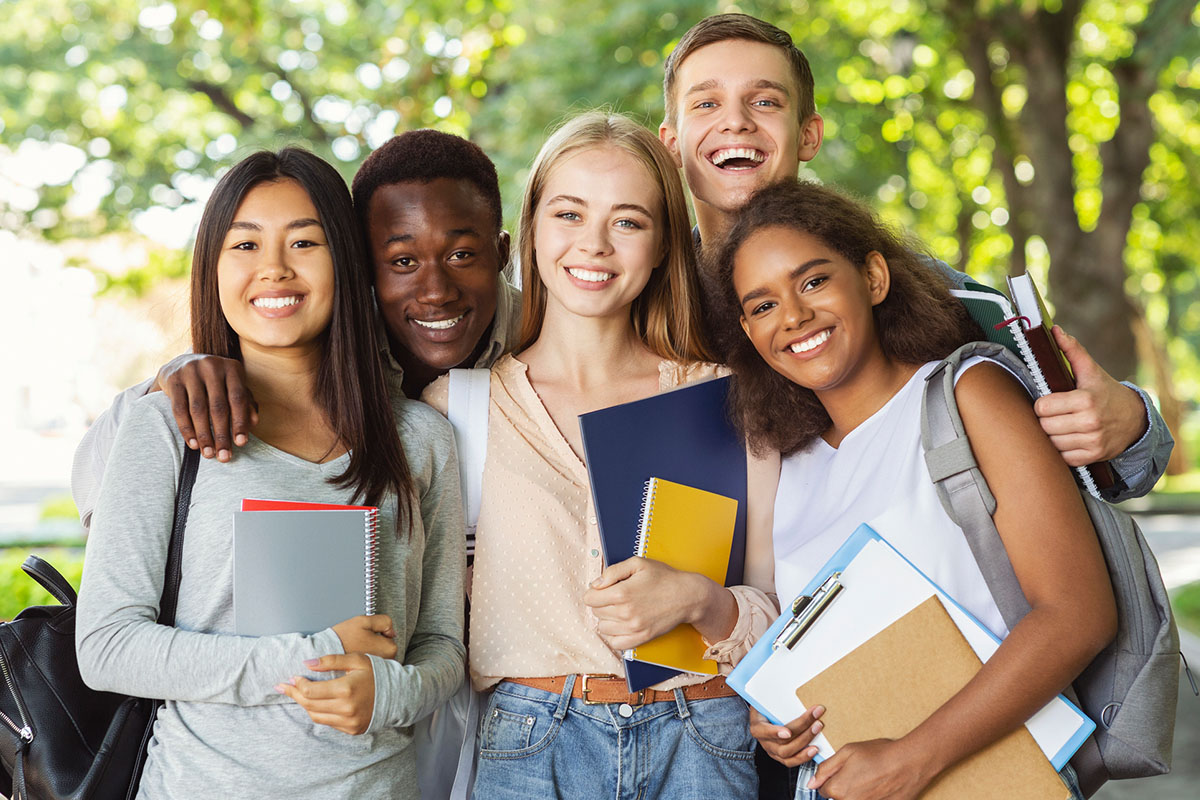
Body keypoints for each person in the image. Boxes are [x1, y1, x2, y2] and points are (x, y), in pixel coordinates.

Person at [74, 148, 466, 799]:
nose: (274, 269)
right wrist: (309, 657)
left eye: (304, 241)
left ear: (345, 259)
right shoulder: (166, 427)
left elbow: (444, 645)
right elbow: (108, 646)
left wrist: (391, 691)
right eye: (246, 244)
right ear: (214, 266)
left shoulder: (421, 440)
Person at [657, 12, 1173, 504]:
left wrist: (1128, 425)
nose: (736, 123)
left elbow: (1101, 465)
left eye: (765, 101)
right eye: (705, 104)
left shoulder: (923, 291)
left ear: (809, 135)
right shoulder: (641, 302)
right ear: (671, 144)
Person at [716, 178, 1116, 800]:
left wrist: (914, 759)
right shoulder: (788, 463)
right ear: (747, 330)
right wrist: (778, 721)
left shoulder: (967, 394)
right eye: (763, 305)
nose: (793, 316)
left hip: (988, 780)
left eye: (814, 281)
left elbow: (1078, 614)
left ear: (874, 278)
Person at [420, 112, 779, 799]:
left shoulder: (728, 402)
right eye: (569, 214)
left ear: (662, 246)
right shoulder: (457, 411)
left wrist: (701, 601)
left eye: (628, 222)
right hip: (529, 745)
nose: (594, 245)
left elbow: (783, 609)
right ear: (530, 230)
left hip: (701, 739)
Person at [70, 130, 520, 529]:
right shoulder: (311, 344)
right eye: (402, 262)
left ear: (501, 252)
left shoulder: (546, 337)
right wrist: (168, 381)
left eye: (461, 255)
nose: (436, 291)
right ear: (361, 265)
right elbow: (95, 493)